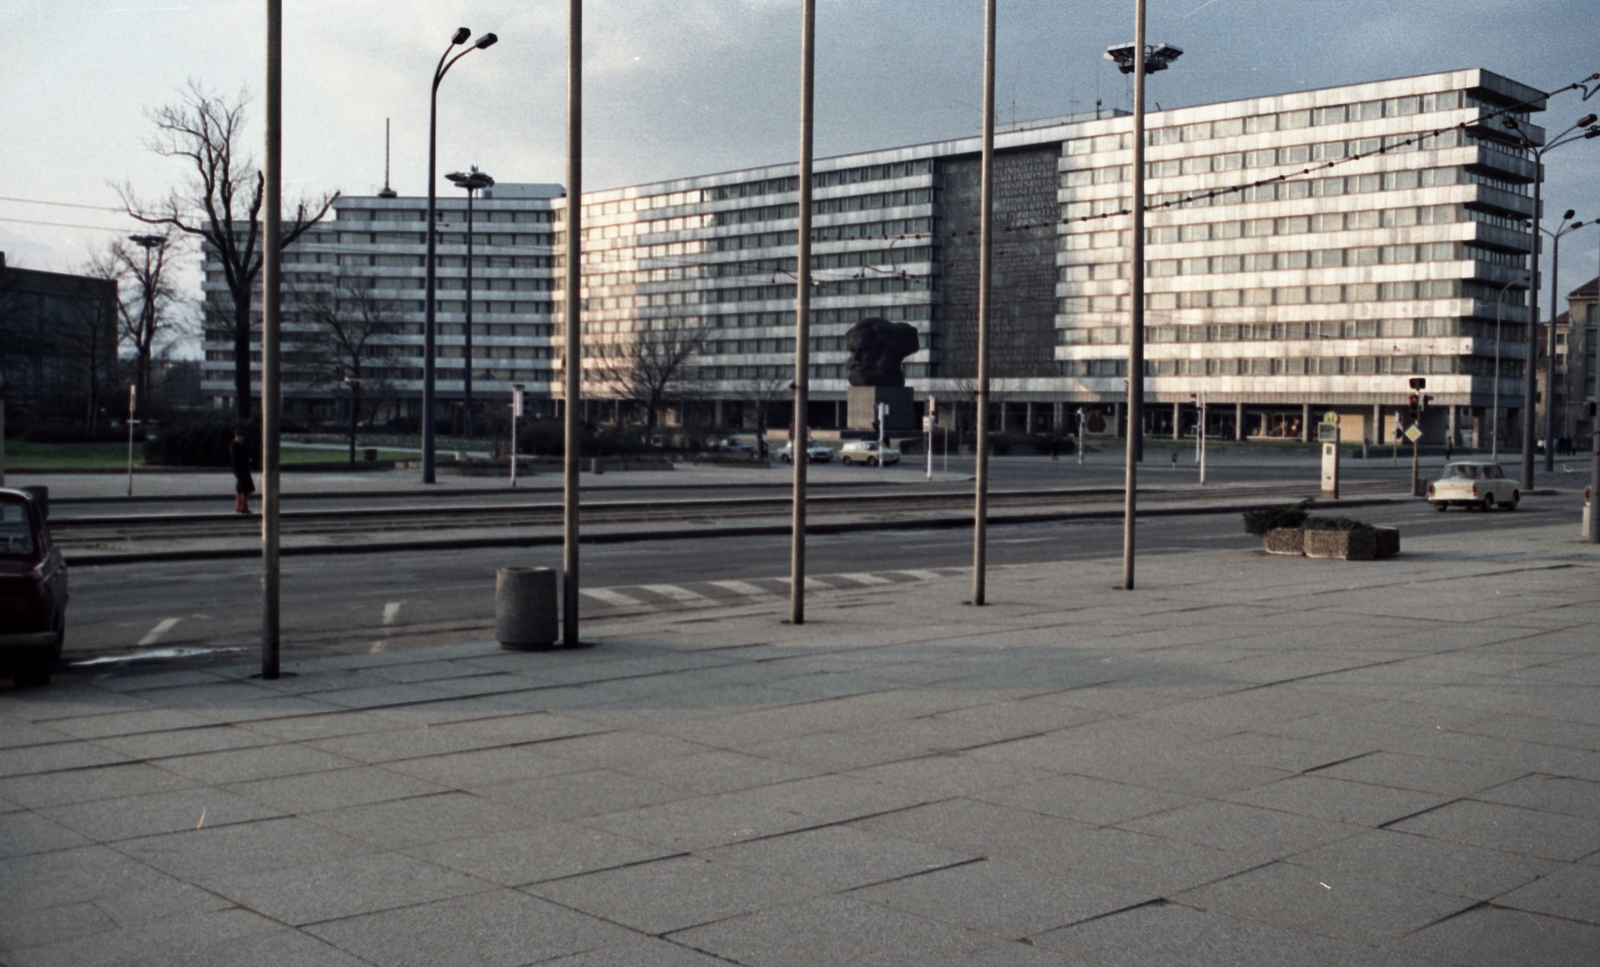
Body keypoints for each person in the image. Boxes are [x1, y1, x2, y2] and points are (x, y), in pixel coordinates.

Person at [230, 429, 255, 515]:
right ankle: (243, 507)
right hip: (239, 468)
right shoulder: (234, 445)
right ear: (237, 436)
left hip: (244, 468)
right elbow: (236, 457)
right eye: (241, 436)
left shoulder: (242, 444)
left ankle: (240, 507)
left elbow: (247, 453)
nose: (243, 438)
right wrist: (246, 459)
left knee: (241, 487)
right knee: (244, 486)